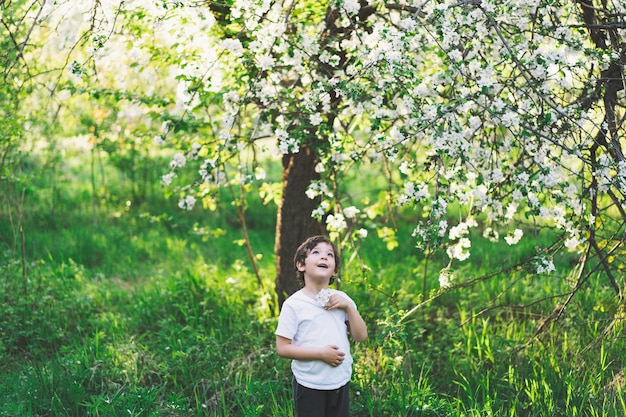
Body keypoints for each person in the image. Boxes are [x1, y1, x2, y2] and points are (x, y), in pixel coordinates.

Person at [276, 235, 368, 417]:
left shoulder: (343, 300)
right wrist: (321, 354)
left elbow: (361, 336)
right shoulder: (294, 304)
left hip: (339, 381)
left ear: (334, 271)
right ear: (301, 265)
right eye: (316, 252)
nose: (324, 257)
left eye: (330, 255)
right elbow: (282, 348)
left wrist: (349, 307)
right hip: (309, 383)